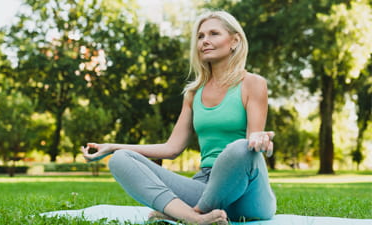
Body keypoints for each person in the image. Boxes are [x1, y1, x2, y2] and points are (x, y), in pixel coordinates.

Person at [81, 10, 276, 225]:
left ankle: (186, 213)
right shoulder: (194, 93)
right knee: (121, 159)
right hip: (203, 186)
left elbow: (253, 140)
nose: (205, 41)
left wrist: (259, 140)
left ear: (235, 41)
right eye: (200, 36)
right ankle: (194, 218)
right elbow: (171, 148)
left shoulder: (253, 83)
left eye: (213, 34)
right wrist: (112, 147)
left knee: (241, 148)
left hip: (247, 193)